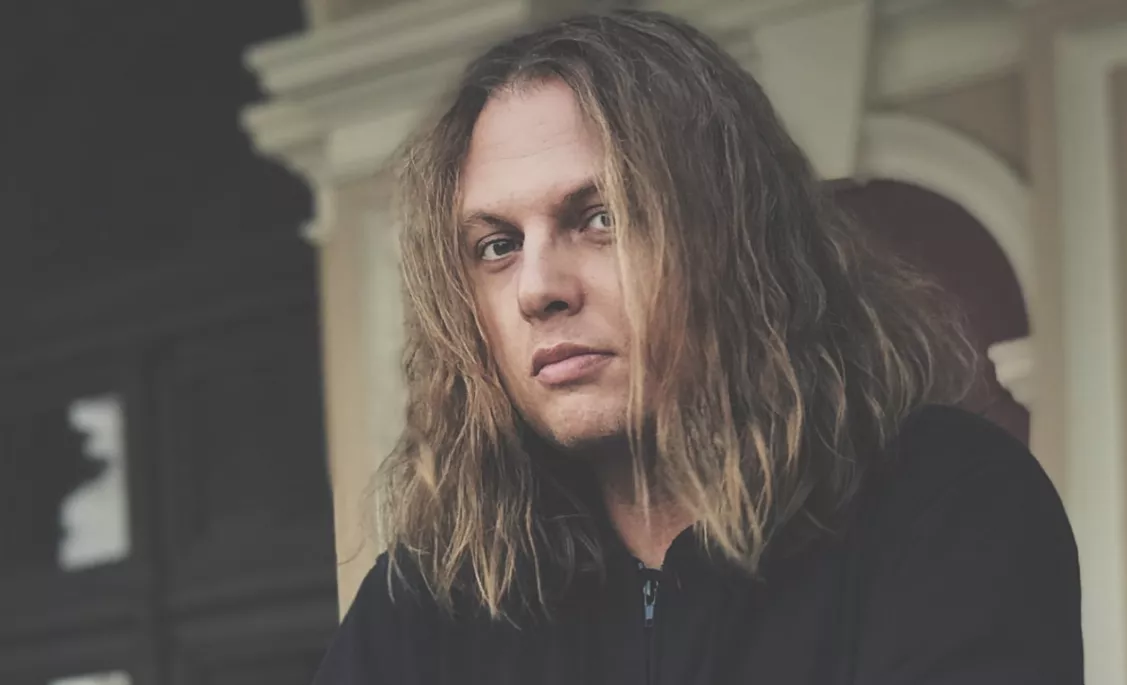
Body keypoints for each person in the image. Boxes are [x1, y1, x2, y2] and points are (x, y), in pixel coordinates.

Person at [314, 9, 1082, 684]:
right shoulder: (433, 594)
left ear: (729, 235)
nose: (537, 287)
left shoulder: (945, 501)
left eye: (601, 217)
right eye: (498, 245)